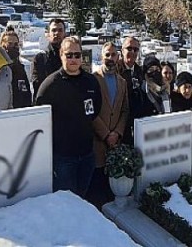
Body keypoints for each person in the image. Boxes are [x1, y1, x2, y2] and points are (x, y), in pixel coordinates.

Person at [35, 37, 102, 197]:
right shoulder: (50, 85)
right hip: (63, 158)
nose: (73, 59)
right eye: (69, 55)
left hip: (86, 155)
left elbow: (96, 110)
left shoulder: (91, 81)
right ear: (61, 55)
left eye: (77, 55)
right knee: (67, 204)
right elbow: (40, 118)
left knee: (82, 199)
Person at [87, 42, 129, 208]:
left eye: (113, 55)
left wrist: (117, 133)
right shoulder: (92, 80)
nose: (110, 59)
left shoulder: (122, 82)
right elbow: (90, 110)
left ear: (118, 57)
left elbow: (125, 110)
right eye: (107, 55)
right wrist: (105, 134)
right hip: (97, 144)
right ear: (101, 56)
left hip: (115, 145)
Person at [116, 36, 143, 145]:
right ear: (122, 51)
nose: (132, 52)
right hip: (119, 124)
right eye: (129, 48)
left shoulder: (140, 71)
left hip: (136, 122)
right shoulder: (115, 70)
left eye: (135, 49)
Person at [32, 18, 65, 98]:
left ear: (65, 33)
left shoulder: (72, 58)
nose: (57, 33)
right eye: (54, 30)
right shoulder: (40, 59)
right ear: (48, 34)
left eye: (60, 30)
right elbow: (38, 86)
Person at [0, 29, 32, 108]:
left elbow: (26, 94)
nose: (13, 47)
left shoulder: (20, 69)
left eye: (16, 44)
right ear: (2, 45)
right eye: (10, 44)